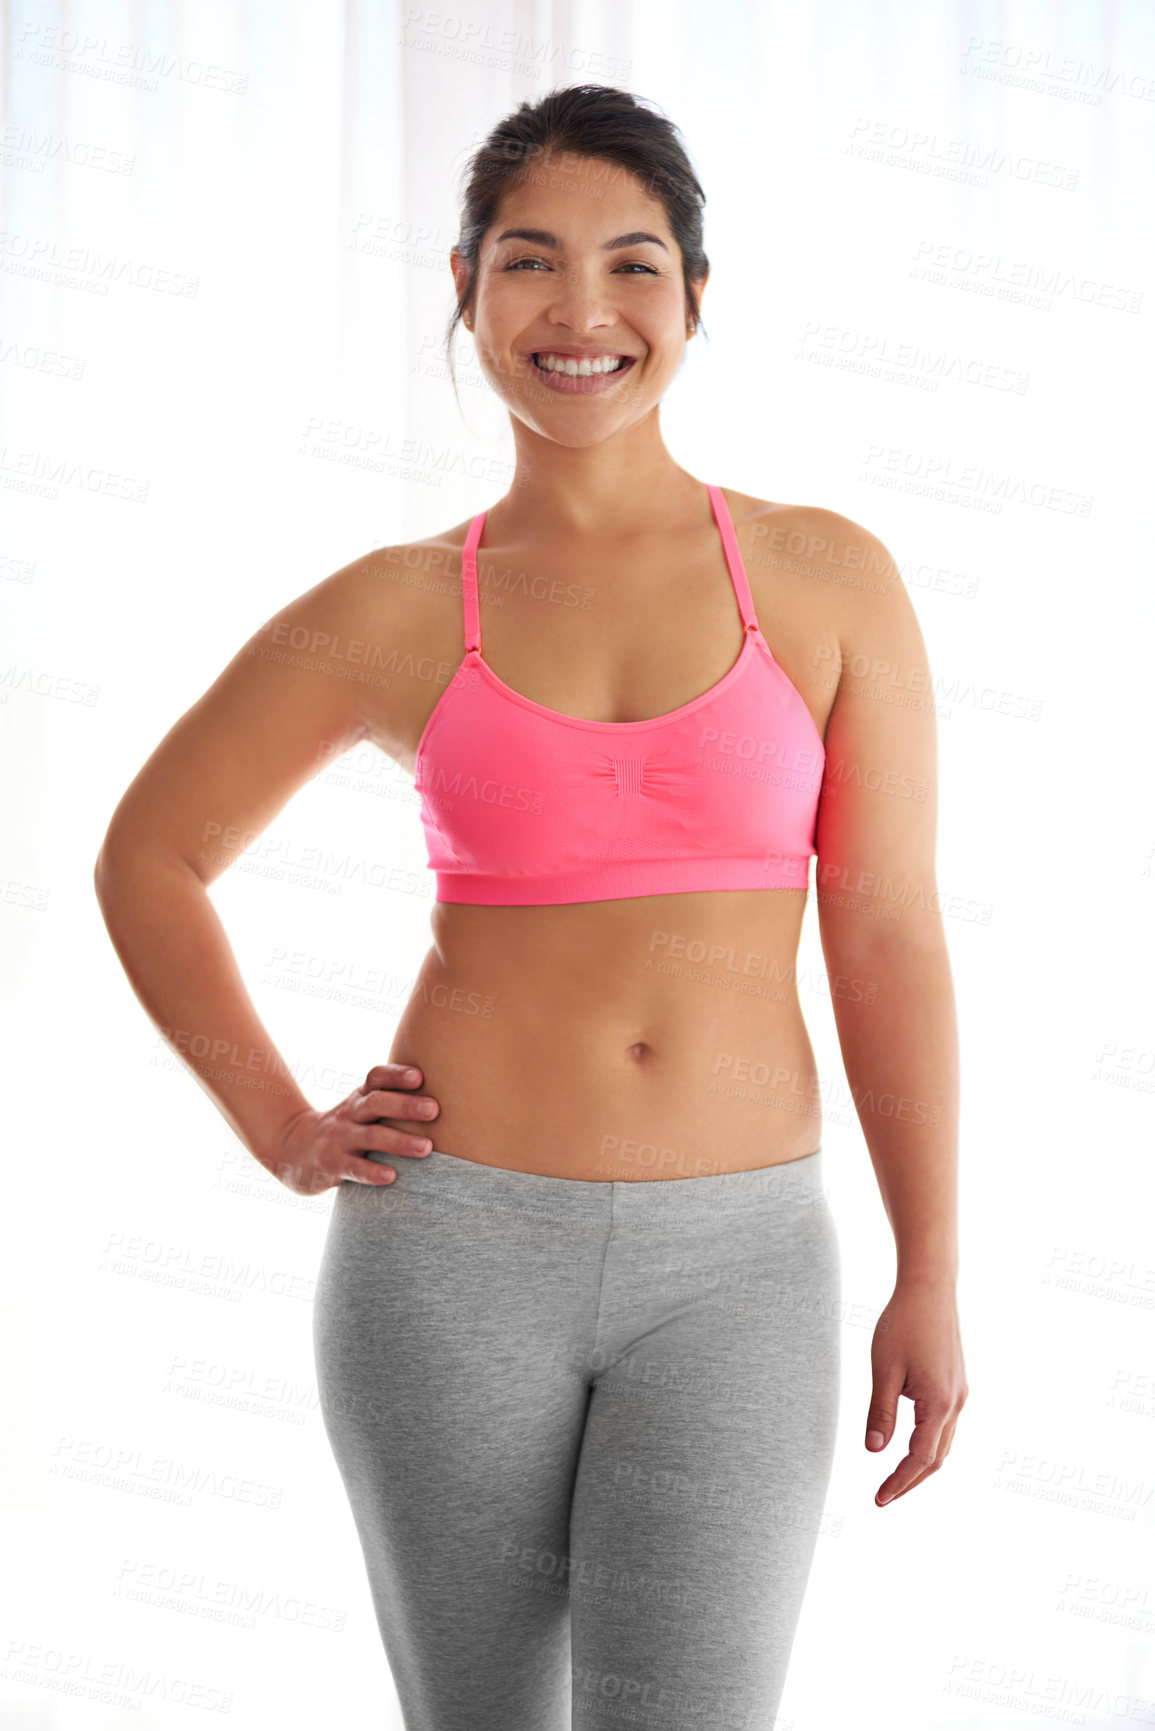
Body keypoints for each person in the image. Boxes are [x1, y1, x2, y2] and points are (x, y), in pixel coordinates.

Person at [94, 83, 967, 1731]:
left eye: (634, 266)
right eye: (530, 264)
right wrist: (280, 1127)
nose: (583, 313)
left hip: (741, 1263)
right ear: (466, 291)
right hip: (451, 1252)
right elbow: (149, 857)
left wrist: (931, 1265)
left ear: (697, 299)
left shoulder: (830, 578)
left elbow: (890, 933)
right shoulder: (401, 605)